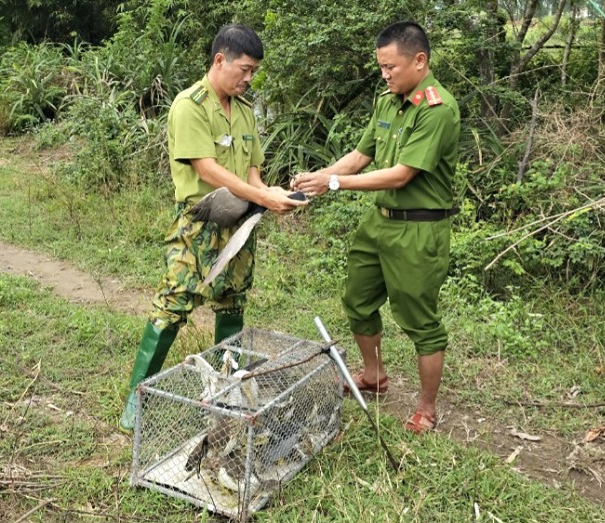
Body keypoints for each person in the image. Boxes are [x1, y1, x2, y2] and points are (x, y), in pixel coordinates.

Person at [119, 24, 307, 432]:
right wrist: (263, 196)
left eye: (254, 71)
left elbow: (253, 169)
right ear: (219, 60)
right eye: (244, 69)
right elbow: (207, 168)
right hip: (200, 222)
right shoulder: (190, 106)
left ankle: (229, 388)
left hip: (241, 222)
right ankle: (137, 399)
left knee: (233, 302)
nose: (248, 78)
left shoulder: (243, 110)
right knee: (174, 303)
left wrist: (268, 195)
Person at [292, 21, 460, 433]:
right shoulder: (388, 102)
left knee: (420, 319)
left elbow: (401, 174)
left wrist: (334, 183)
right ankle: (374, 375)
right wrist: (320, 177)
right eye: (381, 67)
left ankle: (426, 406)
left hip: (419, 230)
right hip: (378, 223)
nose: (385, 75)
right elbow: (361, 154)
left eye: (391, 67)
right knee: (357, 299)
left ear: (419, 61)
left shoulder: (437, 109)